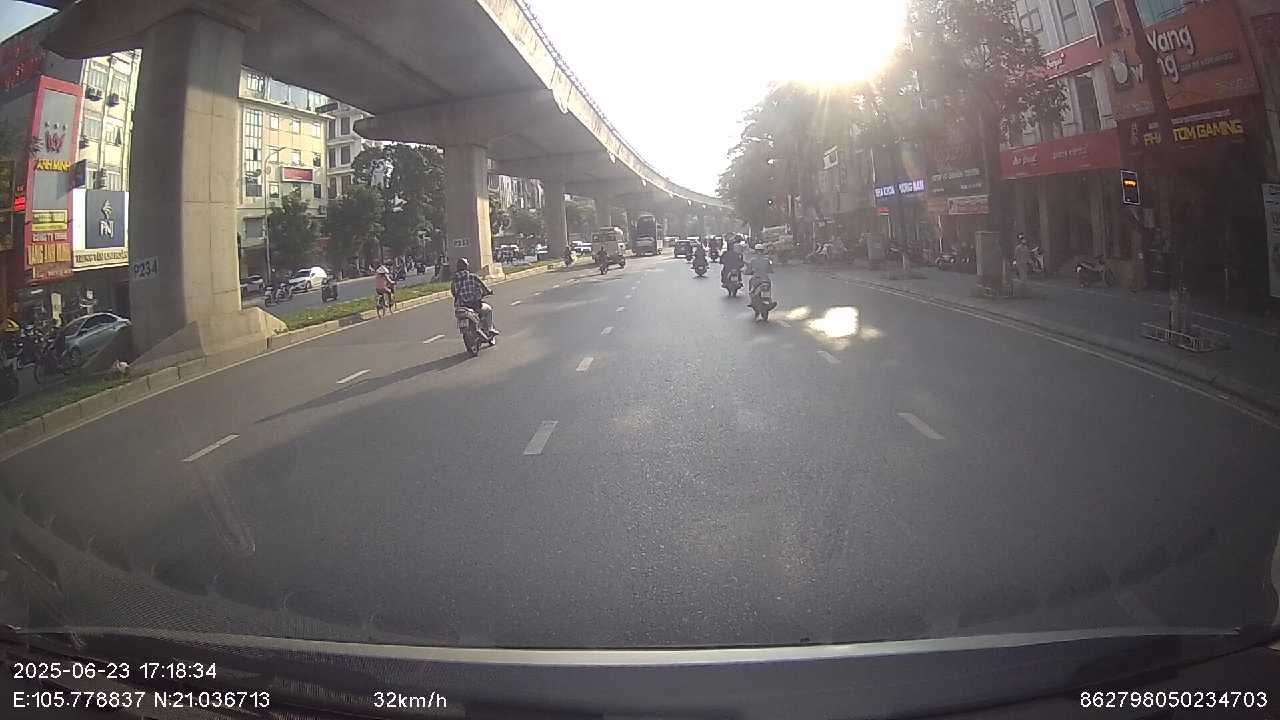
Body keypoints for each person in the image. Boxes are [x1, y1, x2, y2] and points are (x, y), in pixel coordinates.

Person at [451, 257, 497, 336]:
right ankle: (490, 329)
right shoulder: (473, 277)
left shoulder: (454, 281)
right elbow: (484, 287)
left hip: (462, 306)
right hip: (474, 305)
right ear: (466, 266)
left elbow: (453, 293)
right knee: (488, 309)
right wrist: (489, 292)